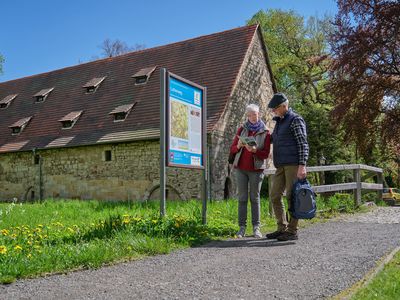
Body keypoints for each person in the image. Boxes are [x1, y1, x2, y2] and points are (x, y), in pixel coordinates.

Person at [266, 93, 309, 241]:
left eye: (275, 109)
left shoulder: (295, 120)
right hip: (281, 165)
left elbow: (303, 143)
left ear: (284, 106)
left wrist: (302, 165)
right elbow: (274, 139)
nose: (273, 111)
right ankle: (281, 227)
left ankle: (292, 230)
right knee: (275, 195)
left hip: (293, 164)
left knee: (292, 196)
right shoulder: (280, 122)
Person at [229, 104, 271, 238]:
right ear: (247, 115)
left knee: (255, 198)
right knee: (242, 198)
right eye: (251, 114)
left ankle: (256, 228)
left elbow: (266, 154)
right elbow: (232, 149)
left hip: (256, 169)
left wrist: (255, 151)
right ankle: (241, 228)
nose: (254, 116)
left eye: (256, 114)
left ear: (259, 114)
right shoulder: (242, 129)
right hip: (241, 168)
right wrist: (239, 145)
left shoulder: (265, 131)